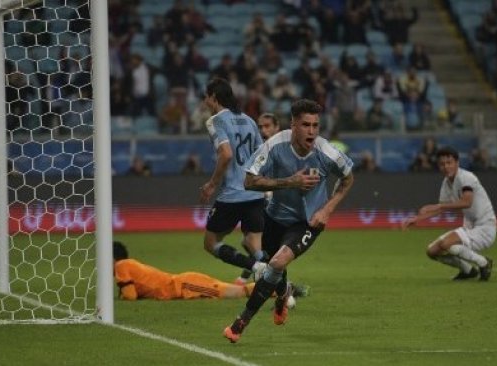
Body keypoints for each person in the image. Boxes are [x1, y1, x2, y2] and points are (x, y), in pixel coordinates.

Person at [223, 99, 355, 343]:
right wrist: (289, 182)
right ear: (293, 124)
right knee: (272, 265)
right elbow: (249, 181)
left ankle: (240, 322)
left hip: (308, 222)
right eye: (306, 125)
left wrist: (326, 211)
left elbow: (348, 179)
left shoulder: (327, 153)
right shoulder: (275, 146)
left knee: (277, 262)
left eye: (316, 125)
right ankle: (283, 294)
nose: (312, 131)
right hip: (274, 216)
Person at [199, 77, 267, 280]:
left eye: (206, 97)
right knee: (254, 244)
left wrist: (212, 184)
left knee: (210, 243)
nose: (205, 102)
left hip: (232, 195)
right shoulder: (249, 120)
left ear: (214, 97)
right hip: (255, 193)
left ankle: (254, 268)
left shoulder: (216, 120)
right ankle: (283, 288)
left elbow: (226, 154)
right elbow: (262, 154)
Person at [402, 147, 496, 281]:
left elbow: (466, 202)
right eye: (442, 164)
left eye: (449, 162)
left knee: (446, 244)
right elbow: (441, 209)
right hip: (470, 228)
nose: (446, 167)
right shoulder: (446, 183)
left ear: (457, 163)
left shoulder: (466, 177)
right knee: (432, 251)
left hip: (485, 228)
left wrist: (438, 205)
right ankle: (468, 270)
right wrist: (417, 219)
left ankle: (484, 263)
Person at [113, 241, 307, 302]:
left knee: (236, 292)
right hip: (184, 283)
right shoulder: (129, 264)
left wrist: (118, 295)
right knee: (235, 291)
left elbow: (130, 296)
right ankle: (280, 288)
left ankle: (282, 288)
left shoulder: (121, 266)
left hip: (185, 286)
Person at [233, 112, 281, 286]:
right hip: (260, 200)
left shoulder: (283, 149)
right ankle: (259, 277)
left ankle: (279, 287)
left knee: (254, 243)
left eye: (267, 126)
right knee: (252, 243)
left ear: (277, 127)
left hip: (277, 205)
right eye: (260, 127)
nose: (263, 130)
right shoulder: (257, 148)